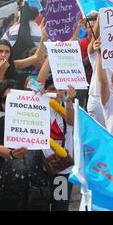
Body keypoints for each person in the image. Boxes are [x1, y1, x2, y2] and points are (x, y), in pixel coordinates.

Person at [0, 80, 51, 211]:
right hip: (6, 193)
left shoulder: (37, 121)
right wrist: (10, 153)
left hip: (36, 193)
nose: (10, 103)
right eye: (6, 99)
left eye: (14, 98)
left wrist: (42, 95)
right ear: (1, 104)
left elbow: (37, 82)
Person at [37, 60, 76, 211]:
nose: (56, 93)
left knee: (60, 207)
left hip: (63, 171)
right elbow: (38, 82)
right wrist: (49, 58)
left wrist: (70, 101)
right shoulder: (38, 106)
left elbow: (71, 121)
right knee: (40, 205)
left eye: (60, 90)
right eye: (52, 89)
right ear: (45, 91)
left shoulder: (69, 107)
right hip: (41, 169)